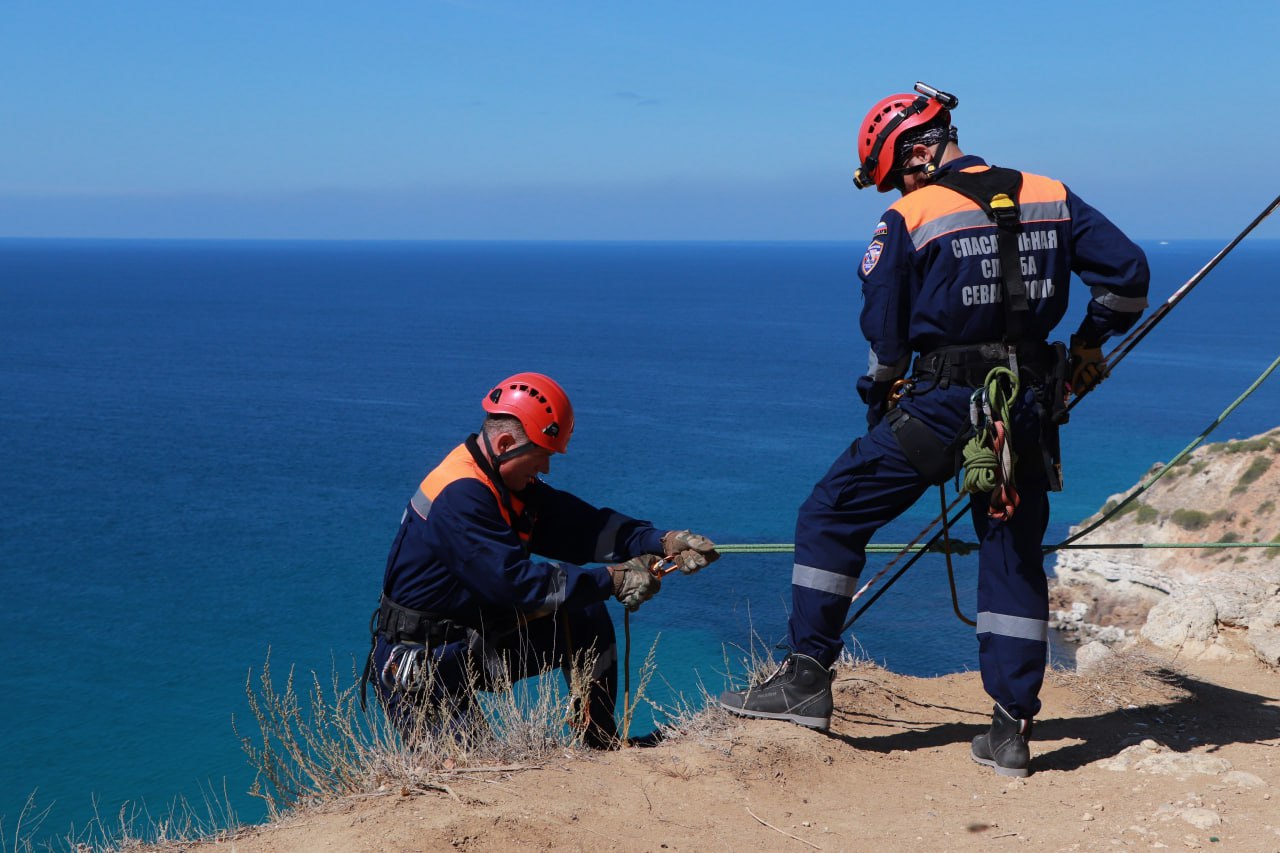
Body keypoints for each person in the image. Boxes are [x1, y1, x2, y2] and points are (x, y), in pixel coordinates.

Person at [719, 83, 1149, 777]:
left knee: (830, 513)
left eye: (898, 170)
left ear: (916, 149)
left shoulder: (910, 216)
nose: (901, 183)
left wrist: (878, 399)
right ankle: (1010, 731)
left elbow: (885, 346)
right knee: (1011, 548)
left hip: (944, 404)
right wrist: (1091, 342)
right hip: (1029, 404)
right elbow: (1128, 278)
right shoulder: (1052, 192)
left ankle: (804, 681)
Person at [364, 372, 719, 749]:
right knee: (475, 775)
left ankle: (600, 744)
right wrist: (611, 581)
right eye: (542, 456)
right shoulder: (461, 496)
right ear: (504, 444)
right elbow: (514, 585)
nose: (546, 468)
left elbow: (586, 527)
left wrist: (661, 540)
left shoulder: (504, 484)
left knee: (586, 618)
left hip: (467, 641)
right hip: (423, 662)